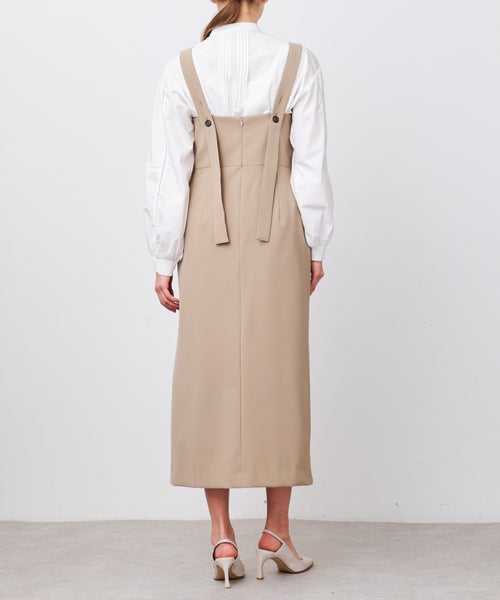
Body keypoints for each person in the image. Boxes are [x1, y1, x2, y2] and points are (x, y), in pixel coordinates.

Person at [144, 0, 334, 588]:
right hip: (280, 228)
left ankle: (222, 537)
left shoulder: (183, 68)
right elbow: (311, 165)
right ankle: (276, 531)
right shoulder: (298, 63)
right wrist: (317, 243)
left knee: (209, 372)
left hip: (206, 232)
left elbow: (168, 172)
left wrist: (163, 256)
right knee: (281, 371)